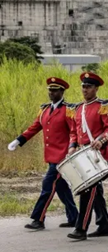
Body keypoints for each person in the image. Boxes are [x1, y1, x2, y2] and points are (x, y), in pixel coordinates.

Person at [7, 77, 78, 230]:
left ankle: (38, 219)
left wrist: (72, 147)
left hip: (62, 157)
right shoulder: (45, 110)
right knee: (61, 187)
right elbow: (34, 127)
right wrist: (19, 140)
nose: (51, 93)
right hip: (51, 155)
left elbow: (74, 131)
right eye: (49, 90)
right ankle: (74, 218)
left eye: (54, 90)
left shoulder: (68, 110)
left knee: (48, 185)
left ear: (62, 91)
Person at [66, 72, 108, 241]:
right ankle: (104, 226)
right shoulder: (78, 108)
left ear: (96, 88)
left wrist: (101, 141)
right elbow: (74, 131)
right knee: (95, 191)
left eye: (88, 87)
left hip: (98, 154)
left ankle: (81, 228)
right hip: (83, 154)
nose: (85, 89)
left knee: (88, 190)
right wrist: (72, 146)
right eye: (83, 86)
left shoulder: (103, 106)